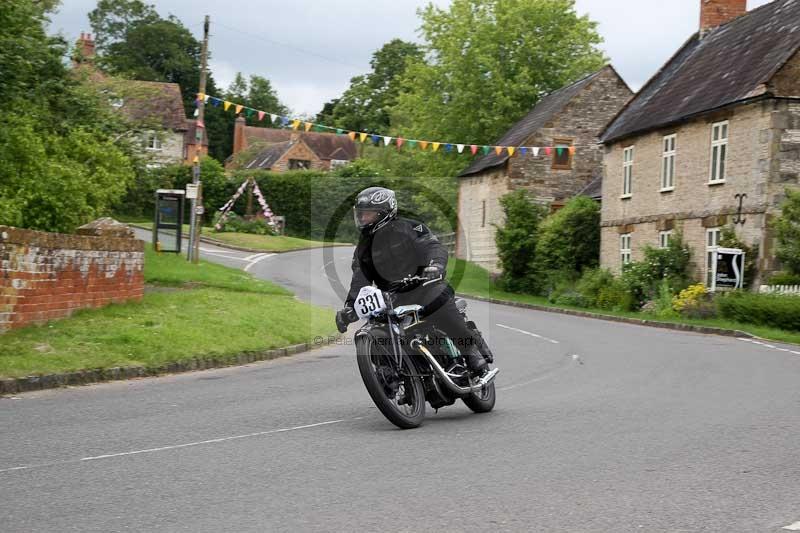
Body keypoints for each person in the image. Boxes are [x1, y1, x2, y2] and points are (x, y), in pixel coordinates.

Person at [335, 186, 493, 375]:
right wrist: (350, 307)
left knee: (439, 302)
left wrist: (435, 266)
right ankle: (393, 374)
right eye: (360, 215)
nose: (362, 219)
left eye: (367, 214)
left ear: (383, 213)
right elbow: (359, 281)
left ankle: (470, 350)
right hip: (391, 299)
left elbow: (432, 246)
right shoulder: (363, 247)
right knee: (370, 332)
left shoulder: (410, 227)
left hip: (423, 285)